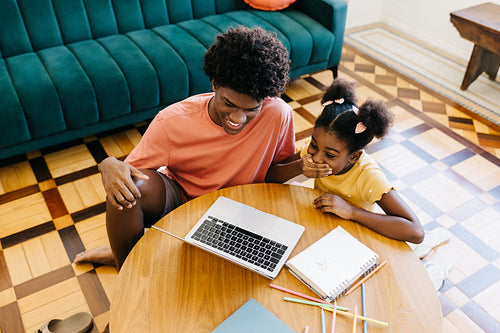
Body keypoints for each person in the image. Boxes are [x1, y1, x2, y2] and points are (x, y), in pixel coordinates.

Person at [73, 26, 296, 269]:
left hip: (242, 207)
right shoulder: (172, 121)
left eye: (251, 109)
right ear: (214, 83)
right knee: (127, 191)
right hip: (182, 201)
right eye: (229, 104)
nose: (238, 118)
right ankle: (125, 263)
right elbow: (126, 173)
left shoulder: (278, 114)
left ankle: (129, 249)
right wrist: (107, 164)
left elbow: (278, 170)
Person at [268, 78, 424, 244]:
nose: (317, 157)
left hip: (355, 237)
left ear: (354, 156)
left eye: (331, 155)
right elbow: (270, 176)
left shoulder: (368, 176)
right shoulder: (314, 151)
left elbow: (415, 232)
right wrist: (300, 167)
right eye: (314, 145)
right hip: (323, 228)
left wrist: (351, 211)